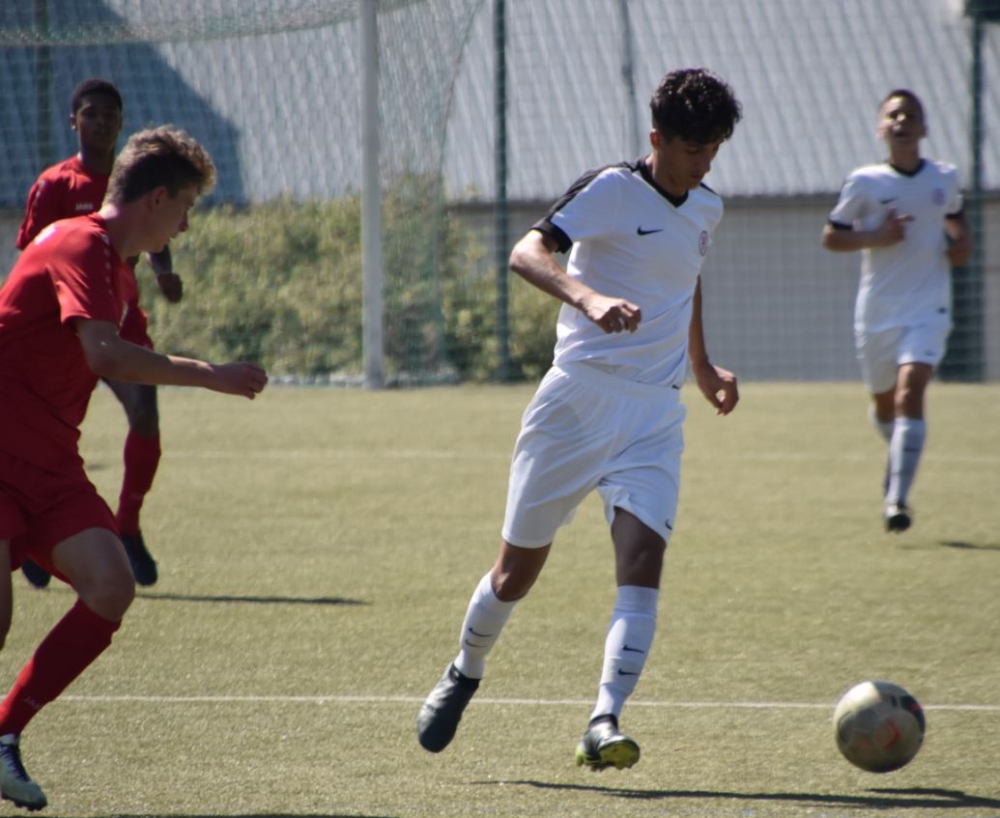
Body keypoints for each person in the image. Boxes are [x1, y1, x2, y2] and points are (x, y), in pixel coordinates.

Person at [416, 68, 742, 771]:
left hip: (654, 414)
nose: (704, 164)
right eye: (693, 149)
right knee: (515, 574)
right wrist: (587, 298)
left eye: (714, 149)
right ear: (657, 138)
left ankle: (604, 720)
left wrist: (703, 366)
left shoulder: (707, 207)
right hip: (577, 401)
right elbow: (526, 252)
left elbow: (684, 282)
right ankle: (465, 669)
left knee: (643, 563)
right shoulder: (612, 190)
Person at [0, 125, 268, 811]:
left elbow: (116, 354)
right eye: (186, 208)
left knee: (111, 585)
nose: (185, 226)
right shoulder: (77, 243)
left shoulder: (119, 269)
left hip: (49, 462)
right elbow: (106, 355)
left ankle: (2, 734)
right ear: (157, 200)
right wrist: (210, 374)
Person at [16, 78, 186, 589]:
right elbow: (35, 253)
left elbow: (153, 233)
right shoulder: (54, 185)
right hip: (65, 329)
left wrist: (163, 273)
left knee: (146, 416)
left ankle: (128, 527)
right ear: (74, 121)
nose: (101, 122)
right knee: (49, 426)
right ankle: (32, 529)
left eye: (110, 114)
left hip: (122, 323)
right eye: (91, 113)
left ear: (121, 121)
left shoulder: (132, 182)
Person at [821, 89, 969, 533]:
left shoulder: (944, 177)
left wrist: (962, 244)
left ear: (924, 128)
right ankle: (900, 451)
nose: (902, 121)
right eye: (894, 114)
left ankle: (896, 501)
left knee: (910, 393)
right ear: (881, 128)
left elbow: (957, 220)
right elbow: (832, 237)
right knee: (886, 407)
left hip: (929, 306)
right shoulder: (865, 182)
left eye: (911, 115)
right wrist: (877, 237)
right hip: (878, 311)